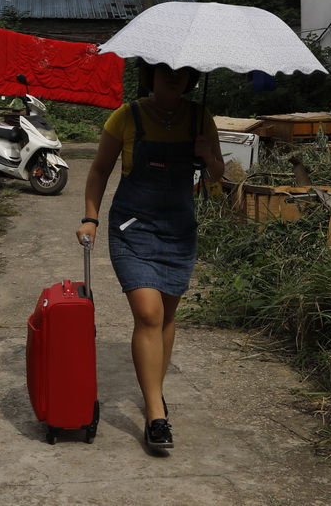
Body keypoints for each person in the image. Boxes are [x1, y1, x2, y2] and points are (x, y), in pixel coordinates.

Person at [78, 61, 225, 450]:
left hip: (179, 231)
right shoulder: (126, 117)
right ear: (151, 75)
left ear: (191, 79)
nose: (173, 76)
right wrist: (90, 217)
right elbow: (98, 170)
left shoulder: (200, 118)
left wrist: (208, 156)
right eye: (165, 70)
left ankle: (154, 397)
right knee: (148, 313)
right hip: (133, 229)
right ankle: (155, 414)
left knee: (167, 317)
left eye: (182, 72)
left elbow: (217, 177)